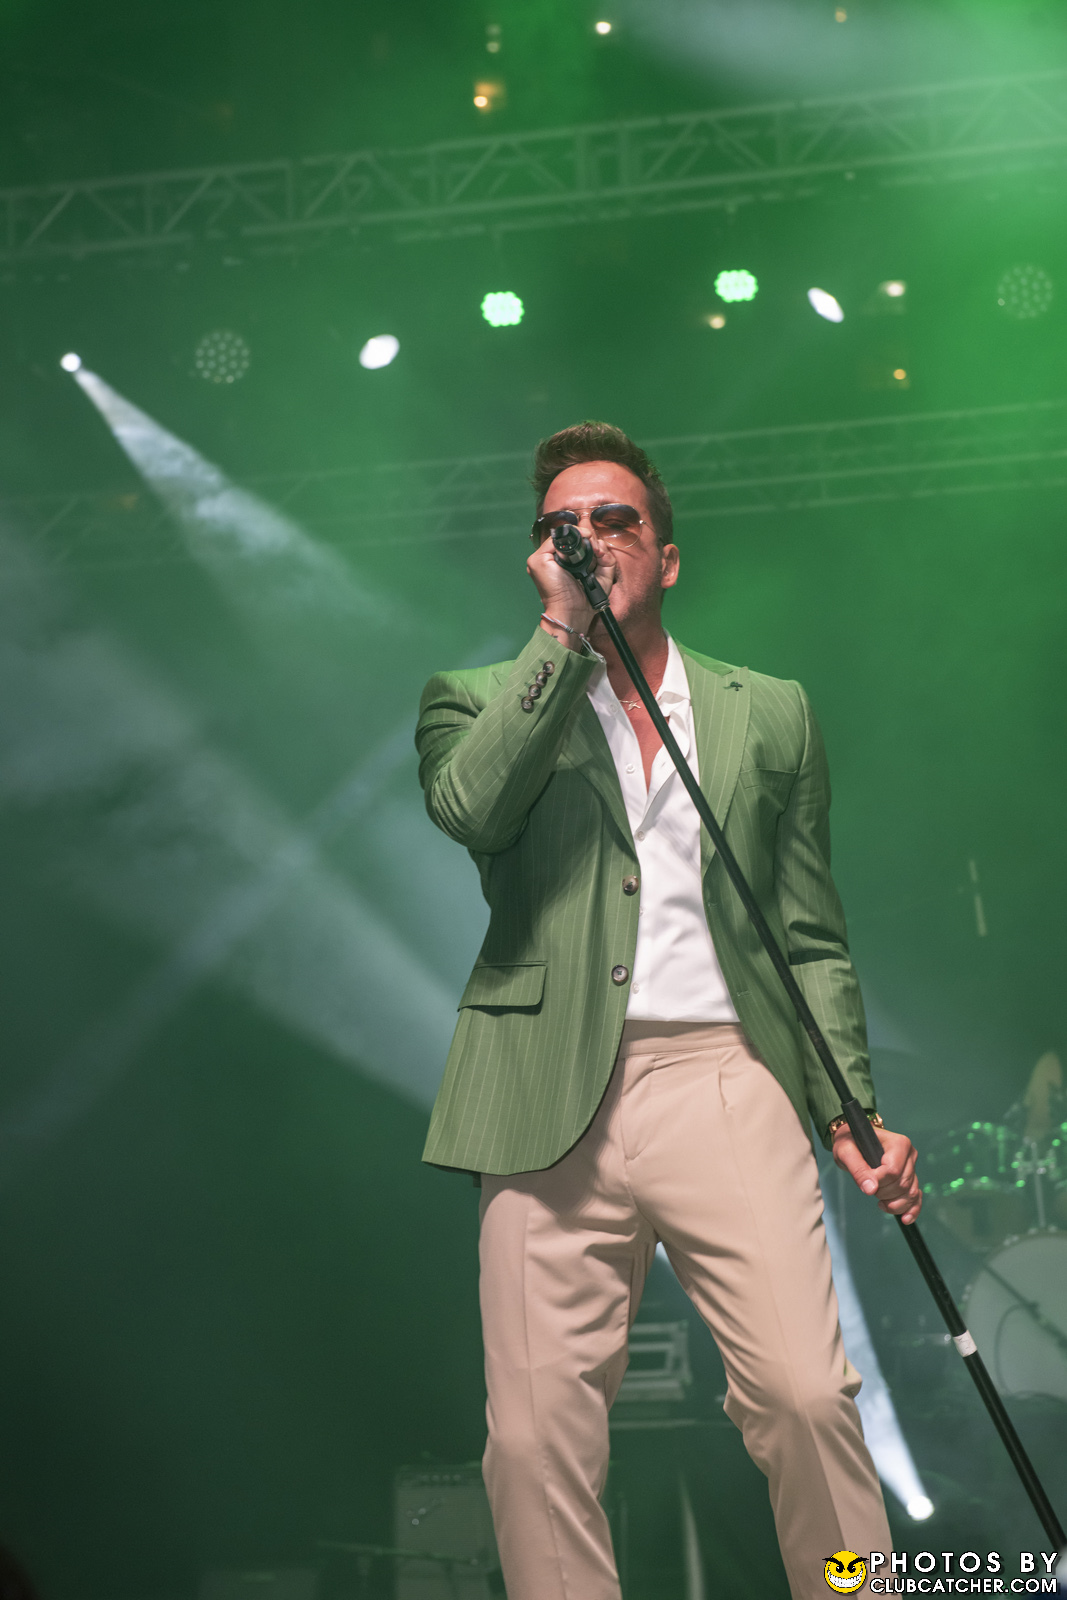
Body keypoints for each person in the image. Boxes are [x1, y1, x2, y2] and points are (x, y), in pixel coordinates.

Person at [415, 421, 921, 1600]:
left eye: (614, 520)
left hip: (723, 1077)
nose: (587, 538)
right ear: (536, 555)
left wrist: (848, 1106)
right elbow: (473, 809)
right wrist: (561, 636)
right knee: (532, 1441)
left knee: (803, 1395)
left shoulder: (768, 711)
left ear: (667, 555)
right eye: (561, 525)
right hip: (540, 1092)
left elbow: (806, 932)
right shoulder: (476, 699)